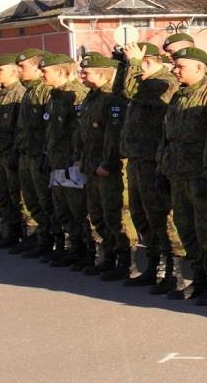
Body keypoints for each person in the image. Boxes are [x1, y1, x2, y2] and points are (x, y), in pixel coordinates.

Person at [158, 47, 207, 305]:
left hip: (204, 175)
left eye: (181, 67)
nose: (175, 71)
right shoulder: (179, 97)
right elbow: (167, 137)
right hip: (179, 174)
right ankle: (200, 275)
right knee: (186, 226)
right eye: (175, 66)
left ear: (200, 68)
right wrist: (162, 169)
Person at [118, 42, 185, 292]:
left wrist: (133, 63)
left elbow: (130, 89)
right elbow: (125, 91)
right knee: (141, 215)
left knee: (162, 218)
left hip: (155, 161)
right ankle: (153, 266)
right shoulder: (144, 86)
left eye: (135, 63)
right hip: (137, 160)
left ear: (147, 61)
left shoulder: (164, 82)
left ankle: (173, 272)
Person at [77, 54, 136, 280]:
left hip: (108, 168)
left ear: (102, 73)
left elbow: (114, 136)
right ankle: (109, 257)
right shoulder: (92, 98)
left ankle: (127, 261)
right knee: (98, 214)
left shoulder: (113, 100)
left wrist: (108, 163)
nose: (82, 76)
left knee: (116, 215)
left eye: (86, 72)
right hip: (91, 166)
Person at [40, 53, 90, 267]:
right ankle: (73, 247)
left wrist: (77, 160)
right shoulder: (55, 96)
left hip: (71, 162)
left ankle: (87, 252)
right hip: (57, 161)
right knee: (63, 208)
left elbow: (81, 132)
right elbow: (52, 130)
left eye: (45, 71)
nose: (42, 75)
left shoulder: (76, 95)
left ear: (60, 71)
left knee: (78, 209)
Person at [13, 49, 56, 258]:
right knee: (31, 199)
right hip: (27, 152)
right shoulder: (29, 90)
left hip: (40, 154)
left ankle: (51, 241)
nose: (19, 71)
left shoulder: (45, 91)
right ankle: (40, 237)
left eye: (23, 66)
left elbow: (49, 127)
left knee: (46, 200)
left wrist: (46, 153)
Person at [0, 54, 27, 249]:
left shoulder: (19, 94)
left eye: (0, 70)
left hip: (11, 152)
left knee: (16, 195)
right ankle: (10, 232)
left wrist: (15, 153)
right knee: (2, 194)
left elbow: (19, 129)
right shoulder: (0, 94)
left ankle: (23, 234)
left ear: (14, 72)